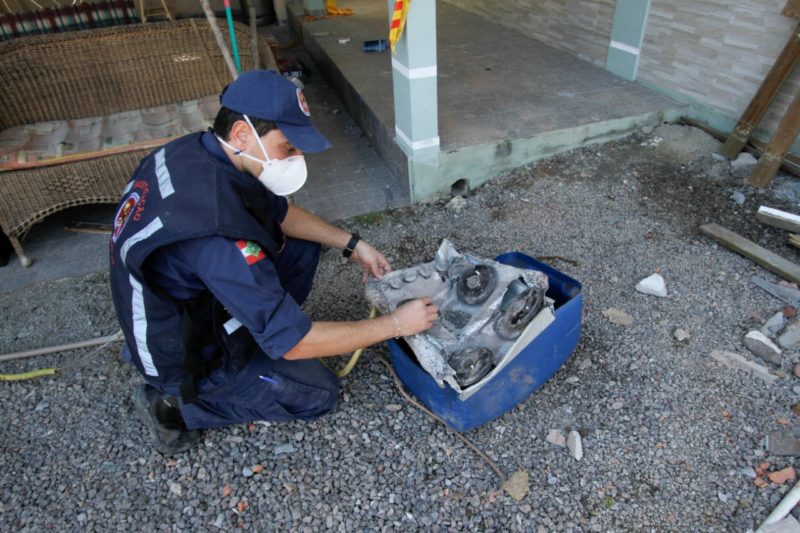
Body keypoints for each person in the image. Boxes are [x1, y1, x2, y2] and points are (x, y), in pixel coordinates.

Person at [109, 70, 438, 455]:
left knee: (303, 247)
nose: (296, 158)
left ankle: (263, 327)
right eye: (288, 147)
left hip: (187, 299)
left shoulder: (199, 152)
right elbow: (295, 344)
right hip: (184, 351)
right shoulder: (216, 235)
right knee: (318, 393)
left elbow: (278, 213)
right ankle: (174, 404)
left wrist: (353, 245)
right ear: (242, 134)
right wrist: (397, 324)